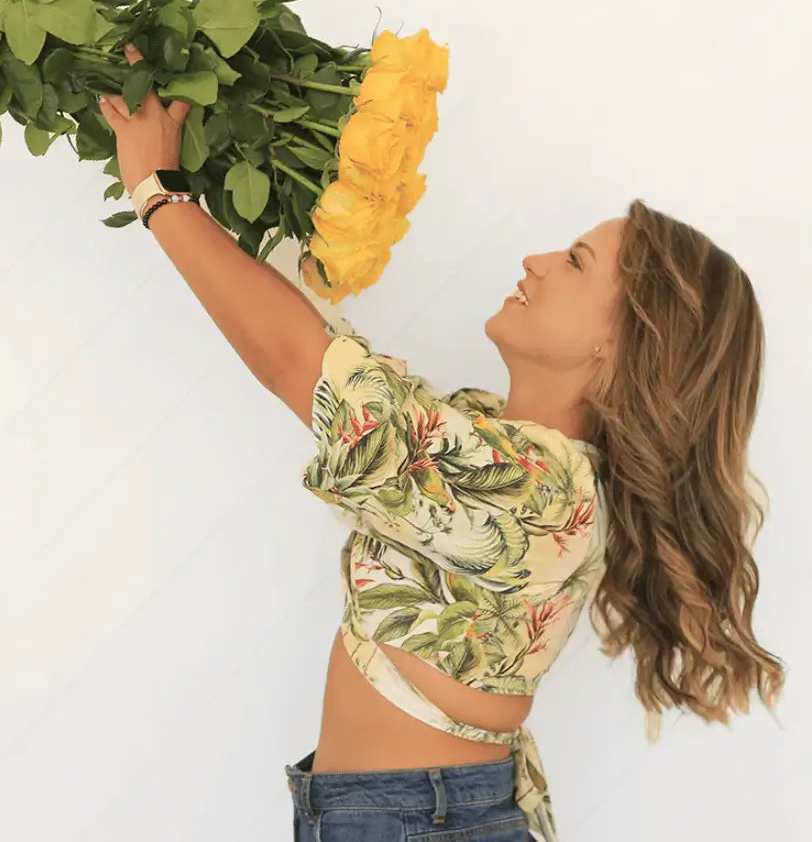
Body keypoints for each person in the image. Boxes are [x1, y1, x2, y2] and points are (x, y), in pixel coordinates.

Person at [98, 44, 786, 841]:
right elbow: (330, 351)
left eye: (574, 262)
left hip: (419, 823)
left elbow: (306, 367)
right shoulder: (495, 438)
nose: (535, 259)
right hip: (404, 817)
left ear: (625, 344)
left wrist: (158, 191)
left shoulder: (538, 490)